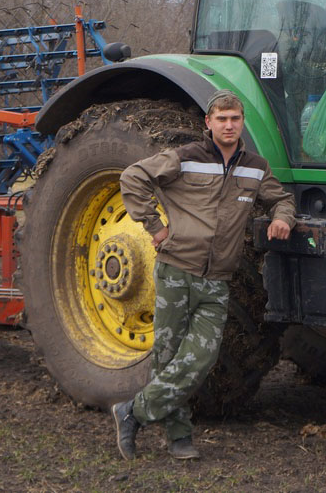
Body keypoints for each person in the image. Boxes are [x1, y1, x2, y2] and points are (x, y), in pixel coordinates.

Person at [111, 89, 296, 460]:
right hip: (177, 272)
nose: (229, 125)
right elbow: (133, 178)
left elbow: (282, 198)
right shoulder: (185, 158)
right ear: (208, 123)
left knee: (201, 358)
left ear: (242, 123)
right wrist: (154, 226)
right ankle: (179, 437)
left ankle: (132, 411)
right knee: (167, 357)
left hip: (217, 281)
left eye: (235, 119)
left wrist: (282, 218)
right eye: (221, 119)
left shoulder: (255, 168)